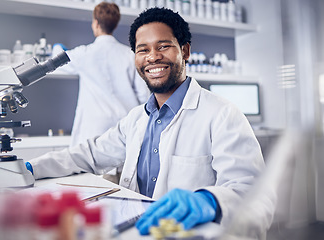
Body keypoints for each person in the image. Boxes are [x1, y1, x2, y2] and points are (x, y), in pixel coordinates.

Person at [26, 7, 265, 236]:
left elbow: (254, 195)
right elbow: (89, 154)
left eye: (163, 46)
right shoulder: (137, 118)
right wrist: (29, 169)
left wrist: (210, 201)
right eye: (143, 50)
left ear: (185, 51)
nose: (153, 57)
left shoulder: (223, 114)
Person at [54, 2, 149, 147]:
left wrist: (57, 48)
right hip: (125, 125)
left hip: (94, 128)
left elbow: (56, 62)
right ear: (115, 25)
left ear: (96, 23)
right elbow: (143, 94)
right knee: (125, 168)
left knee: (94, 167)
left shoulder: (84, 53)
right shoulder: (130, 55)